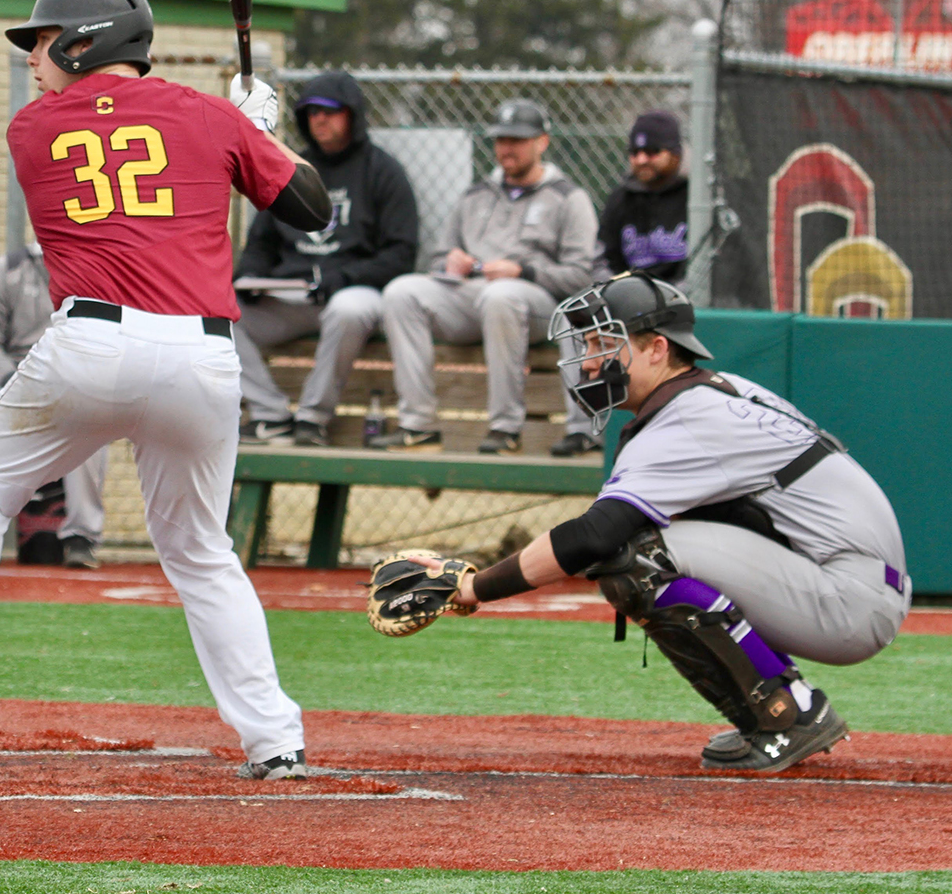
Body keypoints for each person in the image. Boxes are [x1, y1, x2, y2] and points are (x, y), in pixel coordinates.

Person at [0, 0, 332, 782]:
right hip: (201, 357)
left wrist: (239, 131)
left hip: (90, 345)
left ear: (88, 41)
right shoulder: (208, 115)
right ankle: (275, 742)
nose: (32, 59)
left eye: (44, 41)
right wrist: (262, 131)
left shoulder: (30, 129)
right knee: (201, 551)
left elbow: (127, 140)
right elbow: (311, 207)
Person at [375, 274, 908, 773]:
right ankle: (784, 705)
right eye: (588, 345)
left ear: (657, 348)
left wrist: (473, 587)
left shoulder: (689, 416)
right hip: (846, 580)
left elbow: (594, 535)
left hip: (849, 600)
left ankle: (785, 715)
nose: (589, 361)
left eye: (603, 344)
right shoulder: (712, 391)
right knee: (642, 541)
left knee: (633, 557)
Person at [373, 99, 600, 456]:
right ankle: (417, 425)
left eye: (517, 140)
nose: (507, 148)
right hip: (472, 297)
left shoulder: (569, 197)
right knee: (401, 292)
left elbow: (580, 277)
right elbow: (439, 257)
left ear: (542, 142)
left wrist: (522, 270)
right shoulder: (476, 194)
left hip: (539, 306)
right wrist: (450, 263)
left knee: (502, 295)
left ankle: (505, 428)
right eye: (501, 139)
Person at [233, 71, 418, 446]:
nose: (320, 119)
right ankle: (271, 415)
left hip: (354, 292)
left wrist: (345, 277)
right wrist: (249, 275)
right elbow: (261, 244)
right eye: (312, 111)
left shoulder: (382, 170)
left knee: (348, 309)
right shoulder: (290, 168)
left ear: (352, 114)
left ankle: (312, 418)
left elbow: (401, 254)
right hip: (294, 294)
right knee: (217, 310)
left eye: (330, 111)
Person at [0, 242, 110, 569]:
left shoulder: (100, 266)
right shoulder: (9, 269)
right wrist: (12, 381)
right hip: (13, 380)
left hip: (76, 384)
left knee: (94, 416)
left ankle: (81, 536)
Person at [599, 111, 689, 282]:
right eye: (635, 152)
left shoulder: (694, 196)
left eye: (652, 151)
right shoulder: (621, 198)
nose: (641, 160)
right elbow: (603, 260)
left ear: (675, 154)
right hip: (631, 292)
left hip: (684, 294)